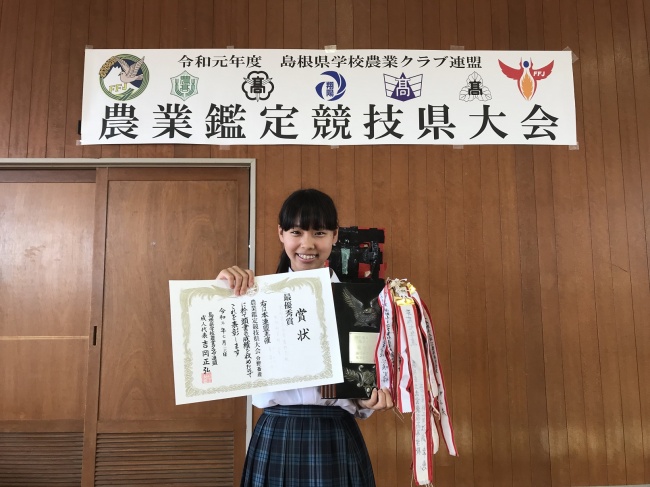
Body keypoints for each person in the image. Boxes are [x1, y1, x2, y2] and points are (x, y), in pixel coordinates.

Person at [217, 188, 393, 487]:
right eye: (296, 232)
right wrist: (220, 293)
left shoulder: (362, 304)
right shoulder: (252, 298)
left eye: (319, 233)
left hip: (336, 435)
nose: (307, 244)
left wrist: (370, 399)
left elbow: (365, 382)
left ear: (335, 236)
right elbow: (225, 359)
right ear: (281, 234)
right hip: (277, 432)